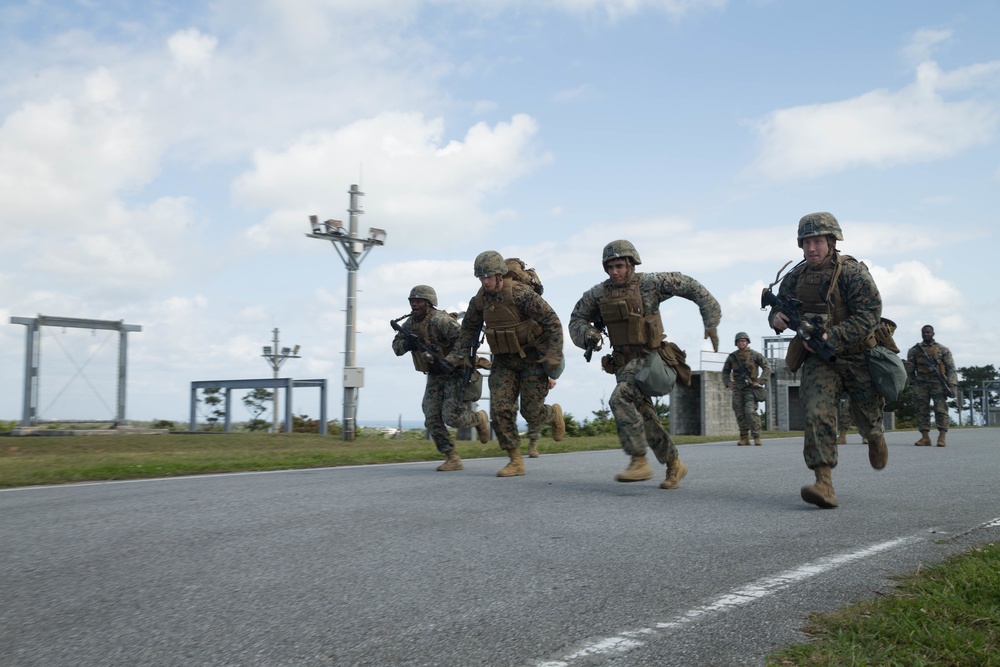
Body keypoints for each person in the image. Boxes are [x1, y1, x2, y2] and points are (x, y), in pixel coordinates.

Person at [569, 240, 721, 489]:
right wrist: (587, 334)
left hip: (649, 361)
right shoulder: (598, 294)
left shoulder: (651, 284)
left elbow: (692, 286)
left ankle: (639, 460)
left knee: (619, 398)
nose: (614, 272)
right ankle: (674, 464)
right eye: (610, 267)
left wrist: (711, 321)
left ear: (631, 264)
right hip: (622, 365)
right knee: (646, 416)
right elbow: (576, 319)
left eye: (619, 265)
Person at [765, 212, 888, 509]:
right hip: (818, 358)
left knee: (868, 415)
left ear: (832, 241)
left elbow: (870, 315)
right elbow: (779, 308)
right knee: (816, 412)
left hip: (857, 353)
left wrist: (831, 336)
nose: (811, 248)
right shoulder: (796, 277)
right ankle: (824, 482)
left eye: (817, 241)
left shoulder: (852, 273)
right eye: (806, 242)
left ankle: (874, 437)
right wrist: (776, 317)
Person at [446, 251, 565, 477]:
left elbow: (552, 321)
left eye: (488, 276)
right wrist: (452, 360)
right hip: (503, 361)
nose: (485, 282)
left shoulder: (520, 294)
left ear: (500, 275)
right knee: (500, 409)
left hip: (532, 358)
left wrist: (553, 355)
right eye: (481, 278)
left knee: (532, 413)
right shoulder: (480, 300)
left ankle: (552, 414)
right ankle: (515, 459)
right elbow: (467, 333)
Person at [391, 285, 490, 471]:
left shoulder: (441, 320)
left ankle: (478, 419)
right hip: (435, 374)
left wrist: (450, 361)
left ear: (429, 303)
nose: (414, 304)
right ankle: (452, 457)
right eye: (412, 301)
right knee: (430, 416)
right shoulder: (410, 324)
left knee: (451, 417)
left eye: (419, 301)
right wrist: (407, 344)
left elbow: (465, 342)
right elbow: (396, 347)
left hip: (455, 372)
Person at [906, 325, 957, 447]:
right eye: (924, 332)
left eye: (928, 332)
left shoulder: (942, 349)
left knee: (941, 410)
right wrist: (912, 382)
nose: (926, 334)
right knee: (921, 410)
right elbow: (910, 368)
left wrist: (951, 385)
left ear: (933, 333)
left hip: (938, 383)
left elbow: (951, 368)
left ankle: (942, 437)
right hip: (921, 383)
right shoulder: (914, 350)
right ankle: (925, 437)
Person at [722, 332, 771, 446]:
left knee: (750, 411)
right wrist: (727, 382)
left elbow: (767, 367)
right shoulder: (732, 357)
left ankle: (756, 436)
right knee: (739, 412)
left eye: (743, 341)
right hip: (738, 388)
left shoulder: (755, 355)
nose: (741, 343)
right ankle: (744, 438)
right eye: (739, 341)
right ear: (736, 343)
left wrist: (760, 381)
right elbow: (725, 371)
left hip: (750, 388)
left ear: (747, 342)